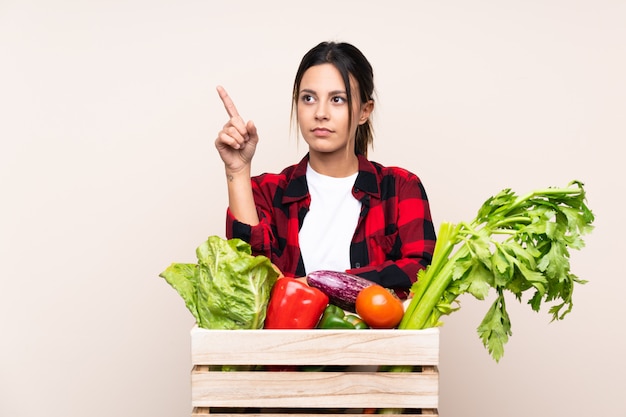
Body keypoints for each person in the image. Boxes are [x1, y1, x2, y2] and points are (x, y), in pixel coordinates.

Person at [214, 41, 436, 298]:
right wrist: (238, 170)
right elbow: (247, 285)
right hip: (287, 340)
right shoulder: (266, 192)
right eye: (308, 98)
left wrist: (316, 283)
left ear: (365, 111)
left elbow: (420, 272)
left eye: (337, 100)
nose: (320, 113)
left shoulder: (399, 188)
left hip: (377, 340)